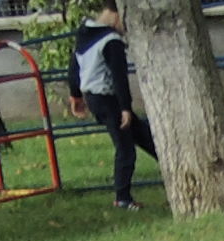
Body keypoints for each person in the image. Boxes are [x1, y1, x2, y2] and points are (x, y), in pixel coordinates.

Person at [68, 5, 158, 211]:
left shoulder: (85, 31)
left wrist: (75, 95)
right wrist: (125, 107)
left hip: (94, 97)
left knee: (146, 137)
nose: (126, 28)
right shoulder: (111, 41)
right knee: (125, 148)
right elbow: (119, 76)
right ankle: (122, 198)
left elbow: (74, 65)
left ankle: (177, 173)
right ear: (117, 15)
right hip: (108, 99)